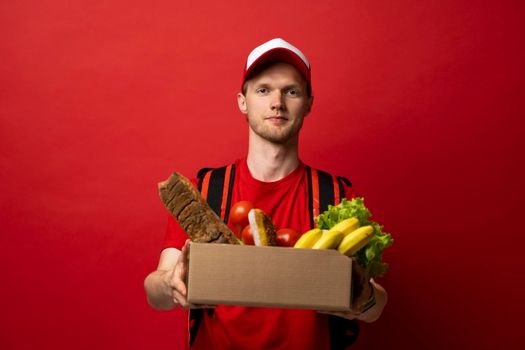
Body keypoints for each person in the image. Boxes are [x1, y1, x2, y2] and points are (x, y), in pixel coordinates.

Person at [144, 38, 388, 349]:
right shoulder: (204, 191)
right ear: (242, 102)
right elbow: (154, 291)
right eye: (263, 90)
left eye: (291, 91)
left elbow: (377, 307)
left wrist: (365, 298)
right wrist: (169, 284)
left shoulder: (337, 196)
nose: (277, 102)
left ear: (309, 103)